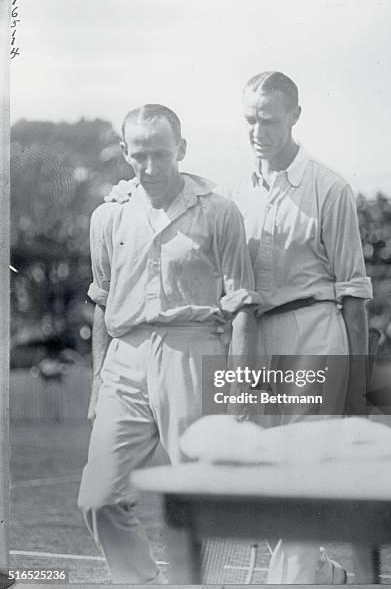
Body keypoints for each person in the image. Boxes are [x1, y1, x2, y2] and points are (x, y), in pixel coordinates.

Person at [107, 72, 373, 584]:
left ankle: (293, 578)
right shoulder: (224, 192)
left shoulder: (330, 188)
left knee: (298, 480)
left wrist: (358, 385)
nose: (257, 131)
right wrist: (128, 189)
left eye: (268, 120)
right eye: (249, 119)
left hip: (313, 339)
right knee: (250, 477)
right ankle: (317, 572)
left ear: (295, 116)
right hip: (246, 345)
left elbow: (354, 295)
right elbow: (165, 196)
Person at [78, 103, 258, 584]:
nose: (151, 167)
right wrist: (99, 380)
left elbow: (242, 306)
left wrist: (238, 388)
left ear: (182, 148)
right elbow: (102, 301)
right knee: (98, 498)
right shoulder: (107, 217)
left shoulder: (218, 212)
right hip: (125, 357)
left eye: (161, 153)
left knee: (203, 494)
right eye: (139, 156)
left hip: (194, 350)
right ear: (124, 153)